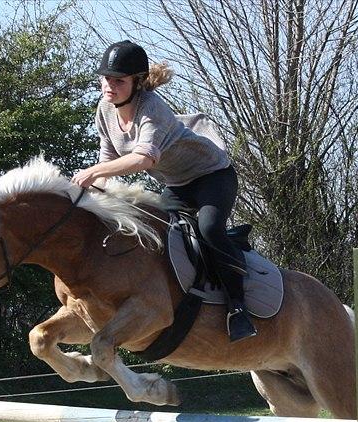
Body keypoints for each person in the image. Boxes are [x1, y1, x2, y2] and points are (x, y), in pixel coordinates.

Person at [72, 40, 256, 342]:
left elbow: (144, 159)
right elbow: (107, 162)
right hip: (177, 185)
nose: (109, 86)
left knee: (209, 228)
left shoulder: (152, 109)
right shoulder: (105, 109)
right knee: (159, 234)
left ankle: (238, 307)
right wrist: (87, 195)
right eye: (105, 78)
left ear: (138, 82)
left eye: (118, 80)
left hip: (212, 176)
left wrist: (92, 173)